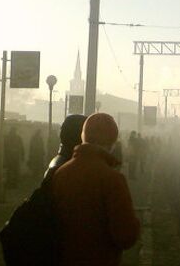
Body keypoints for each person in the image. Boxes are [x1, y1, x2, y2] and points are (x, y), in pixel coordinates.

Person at [51, 113, 140, 266]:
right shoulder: (113, 179)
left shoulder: (61, 173)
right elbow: (125, 236)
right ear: (112, 142)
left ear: (83, 137)